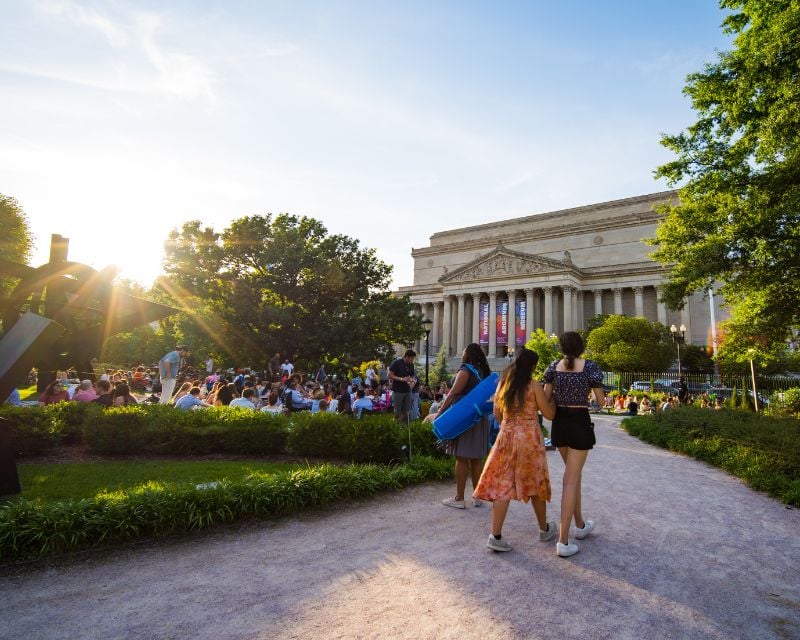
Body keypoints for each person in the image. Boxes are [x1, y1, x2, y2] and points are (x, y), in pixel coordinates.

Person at [474, 348, 558, 551]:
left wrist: (509, 426)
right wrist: (552, 396)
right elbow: (549, 414)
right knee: (536, 483)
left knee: (504, 485)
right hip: (529, 440)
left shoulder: (504, 384)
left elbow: (497, 412)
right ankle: (544, 529)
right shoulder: (533, 386)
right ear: (532, 366)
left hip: (507, 436)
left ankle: (495, 535)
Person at [543, 331, 605, 558]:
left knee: (573, 476)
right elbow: (601, 401)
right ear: (581, 347)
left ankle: (580, 525)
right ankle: (563, 540)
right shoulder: (590, 367)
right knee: (571, 480)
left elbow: (546, 398)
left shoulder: (552, 367)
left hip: (560, 424)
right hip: (579, 422)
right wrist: (588, 405)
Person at [435, 343, 492, 509]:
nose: (461, 353)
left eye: (464, 351)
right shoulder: (483, 372)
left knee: (461, 457)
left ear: (468, 354)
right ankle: (477, 496)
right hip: (478, 417)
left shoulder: (466, 369)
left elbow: (453, 393)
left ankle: (459, 498)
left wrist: (440, 412)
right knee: (476, 458)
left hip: (463, 417)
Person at [388, 349, 417, 423]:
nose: (412, 360)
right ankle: (397, 427)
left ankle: (405, 428)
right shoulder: (397, 363)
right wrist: (401, 379)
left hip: (407, 391)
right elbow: (389, 375)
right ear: (407, 356)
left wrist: (413, 381)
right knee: (398, 411)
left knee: (407, 411)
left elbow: (412, 376)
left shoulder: (411, 365)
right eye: (412, 358)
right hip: (398, 391)